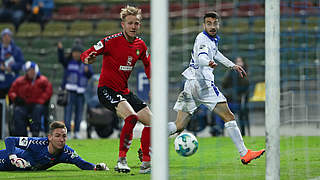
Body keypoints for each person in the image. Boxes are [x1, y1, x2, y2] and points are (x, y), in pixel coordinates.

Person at [168, 11, 265, 165]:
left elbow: (216, 53)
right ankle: (244, 153)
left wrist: (233, 65)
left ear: (218, 24)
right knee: (229, 116)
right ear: (203, 25)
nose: (212, 26)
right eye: (209, 23)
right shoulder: (203, 40)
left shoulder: (211, 40)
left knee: (178, 126)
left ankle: (150, 144)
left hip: (190, 84)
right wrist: (208, 62)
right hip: (203, 85)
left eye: (215, 23)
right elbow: (202, 56)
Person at [80, 5, 158, 174]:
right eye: (130, 23)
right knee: (131, 118)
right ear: (123, 24)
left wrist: (153, 86)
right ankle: (121, 160)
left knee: (152, 122)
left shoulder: (140, 45)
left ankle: (146, 163)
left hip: (124, 91)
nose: (133, 26)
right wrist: (88, 59)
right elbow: (86, 54)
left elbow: (148, 66)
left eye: (136, 23)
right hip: (106, 90)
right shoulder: (110, 41)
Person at [0, 121, 109, 171]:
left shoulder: (67, 153)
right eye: (57, 136)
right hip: (5, 159)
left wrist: (96, 167)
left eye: (64, 136)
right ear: (50, 137)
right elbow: (10, 140)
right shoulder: (37, 143)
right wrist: (13, 158)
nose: (61, 140)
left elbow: (82, 163)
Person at [57, 40, 93, 139]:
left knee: (79, 113)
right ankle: (67, 132)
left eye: (78, 53)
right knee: (68, 112)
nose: (76, 54)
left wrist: (87, 71)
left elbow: (90, 74)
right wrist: (60, 50)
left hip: (81, 92)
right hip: (69, 91)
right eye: (74, 52)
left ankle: (77, 131)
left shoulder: (86, 62)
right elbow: (61, 59)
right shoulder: (68, 61)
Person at [8, 61, 52, 137]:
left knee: (36, 113)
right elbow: (12, 91)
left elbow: (48, 91)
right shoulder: (19, 81)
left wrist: (40, 101)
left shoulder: (43, 80)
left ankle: (36, 134)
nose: (31, 72)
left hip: (37, 105)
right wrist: (16, 98)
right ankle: (21, 136)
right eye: (29, 70)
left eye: (32, 70)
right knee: (18, 112)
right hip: (23, 105)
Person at [0, 28, 25, 137]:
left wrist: (11, 67)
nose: (6, 38)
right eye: (4, 36)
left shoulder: (16, 50)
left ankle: (12, 133)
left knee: (13, 110)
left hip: (12, 84)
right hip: (0, 83)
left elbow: (21, 63)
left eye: (8, 36)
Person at [221, 57, 250, 136]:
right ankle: (220, 132)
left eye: (240, 61)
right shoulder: (231, 73)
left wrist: (239, 74)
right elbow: (223, 84)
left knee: (241, 113)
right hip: (229, 100)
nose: (239, 63)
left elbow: (246, 86)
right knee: (220, 111)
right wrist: (230, 72)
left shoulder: (245, 74)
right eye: (237, 62)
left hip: (239, 101)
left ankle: (243, 133)